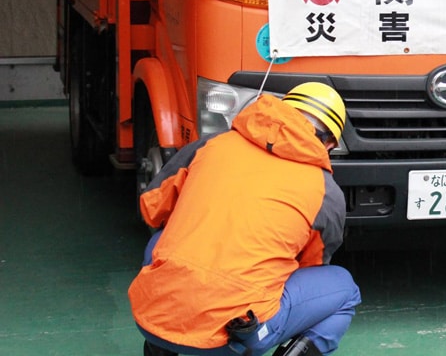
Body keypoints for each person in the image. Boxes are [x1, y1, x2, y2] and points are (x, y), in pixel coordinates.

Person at [129, 82, 361, 356]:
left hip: (151, 318)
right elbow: (311, 266)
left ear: (278, 110)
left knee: (161, 239)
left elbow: (153, 206)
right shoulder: (326, 191)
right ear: (331, 143)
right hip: (234, 333)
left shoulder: (212, 143)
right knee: (344, 289)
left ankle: (161, 346)